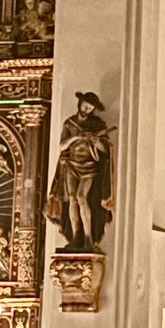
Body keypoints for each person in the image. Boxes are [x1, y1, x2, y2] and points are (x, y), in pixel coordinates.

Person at [45, 92, 115, 251]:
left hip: (89, 167)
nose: (87, 109)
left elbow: (105, 149)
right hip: (72, 165)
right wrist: (77, 138)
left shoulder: (97, 124)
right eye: (85, 105)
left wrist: (96, 142)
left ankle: (88, 237)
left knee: (81, 196)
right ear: (80, 103)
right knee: (72, 199)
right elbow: (62, 146)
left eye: (90, 108)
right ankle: (77, 235)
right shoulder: (69, 124)